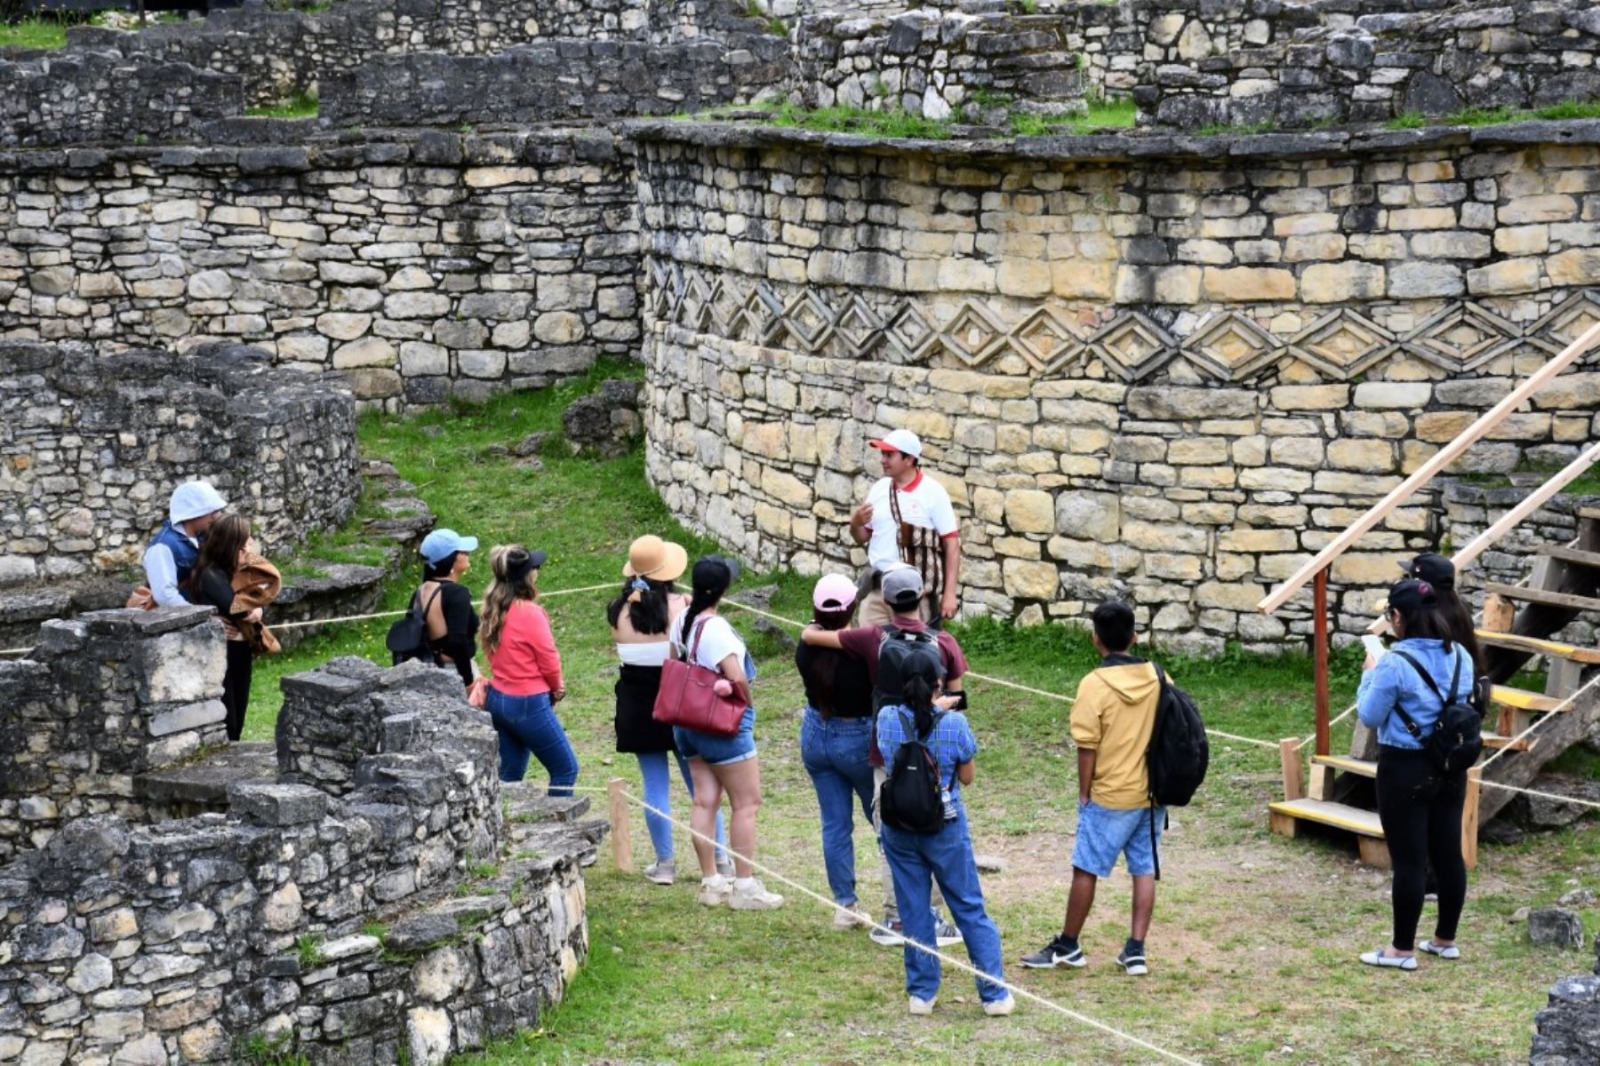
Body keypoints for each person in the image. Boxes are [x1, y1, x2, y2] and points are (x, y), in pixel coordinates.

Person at [801, 565, 967, 947]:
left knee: (892, 830)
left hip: (888, 745)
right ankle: (933, 915)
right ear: (922, 596)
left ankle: (896, 918)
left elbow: (816, 637)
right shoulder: (945, 642)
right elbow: (959, 701)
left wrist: (809, 629)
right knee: (936, 824)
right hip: (935, 748)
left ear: (886, 602)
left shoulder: (871, 637)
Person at [1020, 600, 1163, 977]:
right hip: (1152, 792)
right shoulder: (1159, 676)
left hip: (1110, 793)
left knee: (1086, 867)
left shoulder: (1094, 685)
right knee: (1144, 868)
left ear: (1095, 639)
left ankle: (1068, 945)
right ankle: (1135, 950)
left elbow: (1088, 746)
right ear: (1134, 636)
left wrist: (1084, 792)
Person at [876, 648, 1013, 1017]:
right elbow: (966, 777)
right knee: (968, 906)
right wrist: (942, 712)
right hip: (945, 825)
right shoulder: (954, 725)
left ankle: (922, 993)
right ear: (939, 683)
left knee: (914, 908)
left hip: (899, 827)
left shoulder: (887, 718)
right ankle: (994, 993)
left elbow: (890, 753)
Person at [1355, 577, 1474, 971]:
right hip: (1450, 764)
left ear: (1398, 617)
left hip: (1404, 765)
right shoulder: (1460, 655)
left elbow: (1370, 715)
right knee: (1447, 853)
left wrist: (1369, 673)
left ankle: (1401, 950)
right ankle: (1445, 939)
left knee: (1408, 860)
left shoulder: (1394, 662)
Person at [607, 535, 732, 885]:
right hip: (679, 703)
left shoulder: (617, 610)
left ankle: (665, 863)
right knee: (701, 786)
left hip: (637, 706)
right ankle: (720, 857)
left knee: (654, 785)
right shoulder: (683, 607)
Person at [671, 556, 785, 910]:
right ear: (724, 590)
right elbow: (735, 676)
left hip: (687, 724)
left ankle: (711, 881)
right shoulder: (717, 629)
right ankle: (746, 886)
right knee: (746, 804)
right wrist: (746, 705)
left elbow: (675, 660)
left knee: (705, 800)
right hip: (721, 726)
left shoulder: (681, 622)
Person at [796, 573, 878, 930]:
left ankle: (845, 905)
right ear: (853, 608)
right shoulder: (862, 648)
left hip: (816, 735)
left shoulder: (806, 644)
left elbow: (813, 632)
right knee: (884, 820)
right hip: (856, 737)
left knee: (835, 825)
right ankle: (901, 903)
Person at [480, 545, 577, 792]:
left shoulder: (492, 608)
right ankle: (560, 829)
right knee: (565, 769)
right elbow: (548, 658)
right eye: (535, 568)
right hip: (527, 702)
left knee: (509, 774)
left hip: (498, 697)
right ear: (527, 575)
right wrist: (557, 688)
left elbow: (491, 652)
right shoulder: (530, 612)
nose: (537, 572)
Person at [848, 429, 961, 627]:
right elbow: (862, 537)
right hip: (877, 591)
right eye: (883, 454)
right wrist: (855, 523)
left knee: (915, 654)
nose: (883, 460)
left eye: (889, 455)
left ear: (909, 459)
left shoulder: (933, 493)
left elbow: (951, 545)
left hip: (916, 597)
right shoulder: (879, 489)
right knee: (870, 653)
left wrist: (949, 595)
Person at [184, 514, 263, 741]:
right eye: (245, 541)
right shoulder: (209, 574)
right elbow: (240, 609)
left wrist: (259, 610)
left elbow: (263, 592)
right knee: (229, 722)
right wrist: (255, 610)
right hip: (222, 653)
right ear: (231, 544)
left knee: (238, 717)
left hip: (239, 650)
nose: (249, 545)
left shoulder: (232, 570)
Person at [143, 481, 228, 607]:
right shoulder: (162, 546)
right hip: (183, 620)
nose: (215, 516)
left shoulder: (205, 535)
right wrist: (205, 618)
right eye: (210, 512)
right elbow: (165, 596)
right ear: (193, 512)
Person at [415, 528, 480, 689]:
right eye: (463, 551)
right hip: (455, 672)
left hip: (430, 669)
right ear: (451, 559)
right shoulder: (457, 593)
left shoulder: (422, 589)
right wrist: (468, 682)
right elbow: (458, 641)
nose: (467, 554)